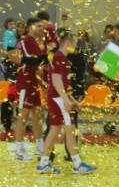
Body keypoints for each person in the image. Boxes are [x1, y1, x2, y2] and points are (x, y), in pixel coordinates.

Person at [36, 31, 96, 174]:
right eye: (74, 43)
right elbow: (56, 80)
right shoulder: (59, 57)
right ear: (68, 43)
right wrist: (65, 100)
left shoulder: (61, 57)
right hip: (58, 99)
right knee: (70, 129)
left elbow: (64, 84)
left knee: (55, 129)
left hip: (57, 98)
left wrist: (73, 100)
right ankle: (77, 164)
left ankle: (44, 163)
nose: (75, 46)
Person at [12, 18, 47, 162]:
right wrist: (49, 55)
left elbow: (38, 62)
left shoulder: (35, 42)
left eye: (42, 26)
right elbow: (31, 61)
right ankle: (19, 150)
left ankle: (40, 147)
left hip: (33, 83)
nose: (41, 29)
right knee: (23, 116)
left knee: (37, 115)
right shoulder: (27, 41)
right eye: (38, 26)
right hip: (25, 83)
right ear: (30, 27)